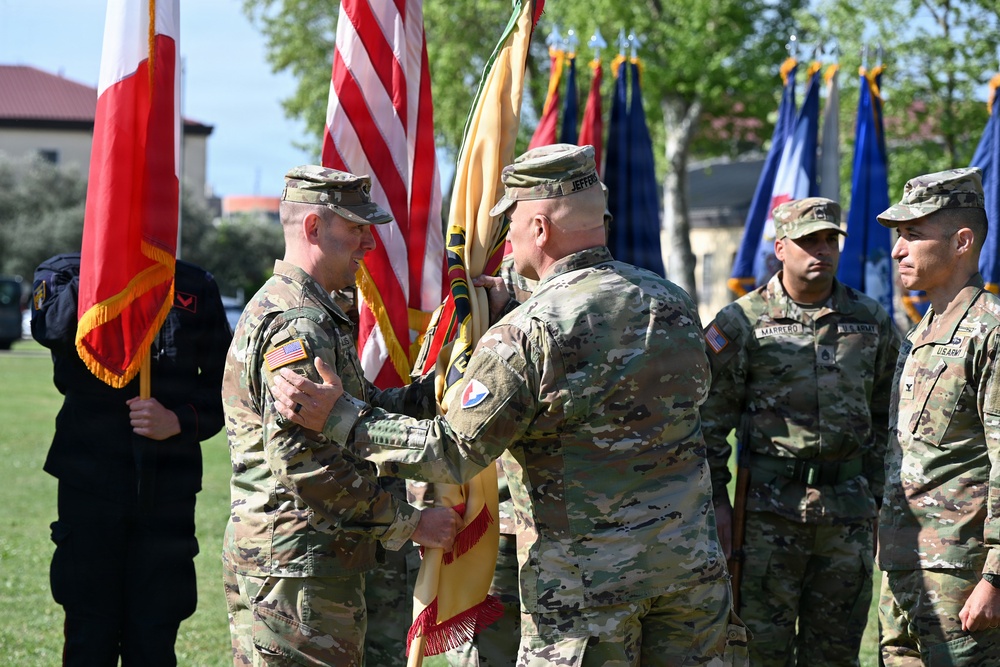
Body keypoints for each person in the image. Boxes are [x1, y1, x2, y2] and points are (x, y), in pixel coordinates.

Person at [274, 144, 748, 666]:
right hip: (690, 578)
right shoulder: (672, 301)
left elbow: (451, 452)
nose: (509, 236)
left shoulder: (528, 332)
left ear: (539, 228)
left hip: (588, 594)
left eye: (512, 222)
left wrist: (344, 419)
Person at [221, 165, 461, 667]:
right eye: (356, 228)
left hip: (301, 562)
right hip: (299, 569)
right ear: (313, 227)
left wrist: (439, 389)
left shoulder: (306, 309)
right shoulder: (299, 324)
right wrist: (411, 523)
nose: (369, 244)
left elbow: (359, 408)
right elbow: (303, 462)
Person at [699, 197, 900, 666]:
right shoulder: (742, 321)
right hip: (768, 518)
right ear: (781, 248)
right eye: (809, 241)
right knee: (760, 651)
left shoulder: (869, 321)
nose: (822, 250)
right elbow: (708, 423)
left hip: (848, 516)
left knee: (836, 653)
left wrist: (879, 499)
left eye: (830, 239)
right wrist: (717, 504)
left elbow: (888, 417)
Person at [31, 252, 232, 667]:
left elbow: (226, 385)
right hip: (89, 481)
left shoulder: (194, 285)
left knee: (154, 633)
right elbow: (51, 329)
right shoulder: (63, 273)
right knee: (89, 632)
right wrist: (105, 263)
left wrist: (178, 420)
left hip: (168, 485)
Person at [875, 167, 1000, 664]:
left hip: (963, 578)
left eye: (913, 235)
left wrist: (996, 576)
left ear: (961, 242)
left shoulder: (990, 332)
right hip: (904, 566)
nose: (897, 251)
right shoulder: (919, 334)